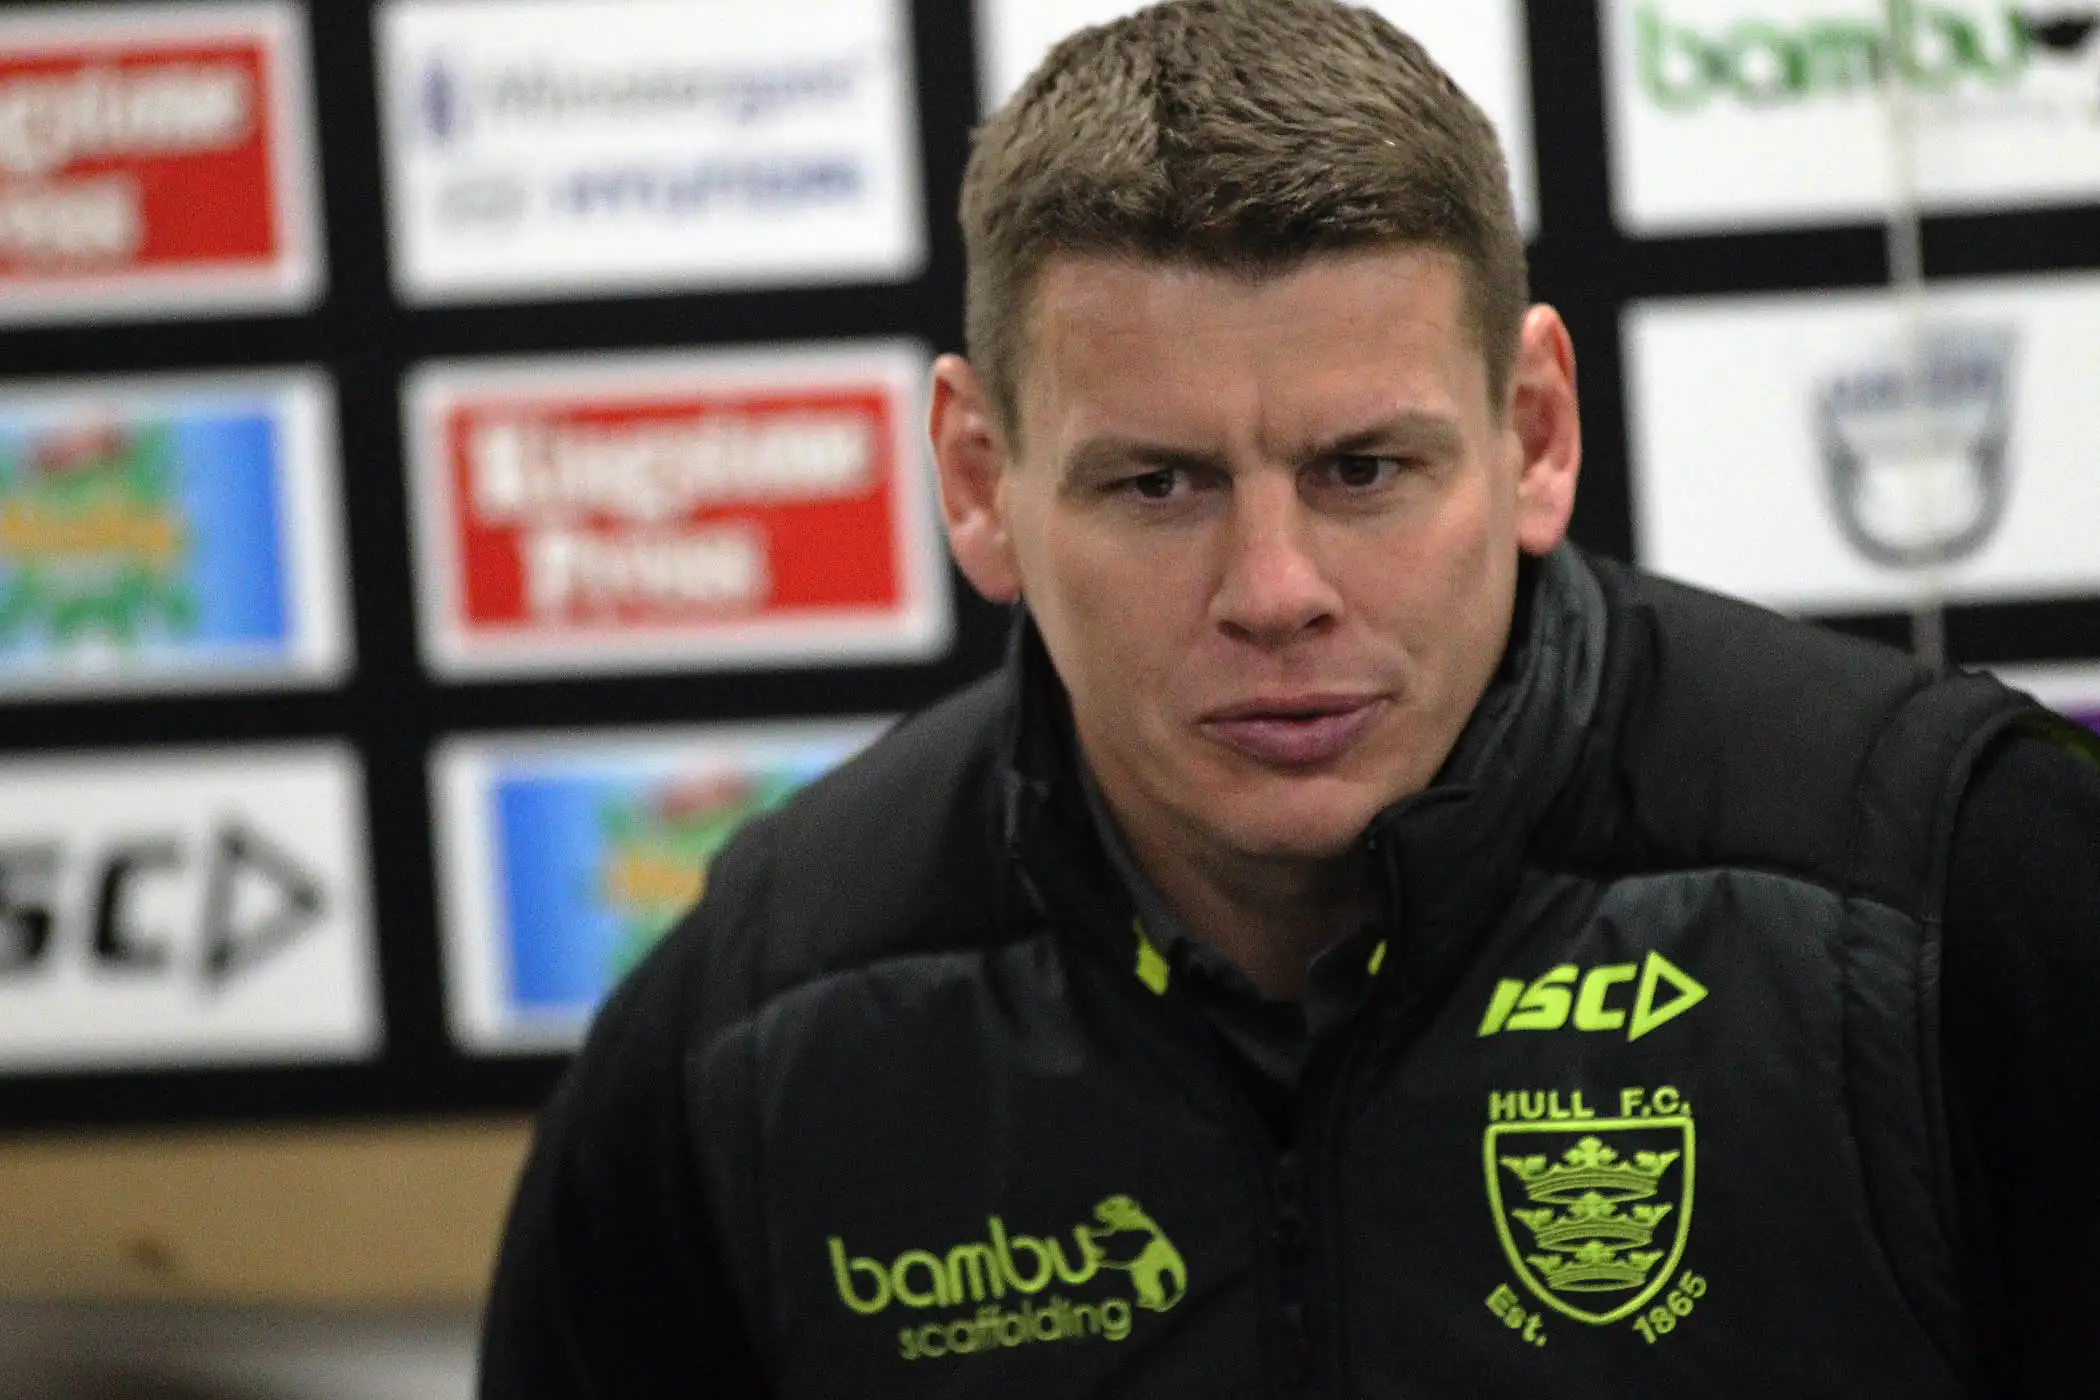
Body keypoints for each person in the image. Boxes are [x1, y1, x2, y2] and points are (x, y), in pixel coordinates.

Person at [477, 2, 2100, 1395]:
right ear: (979, 482)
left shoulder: (1957, 896)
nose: (1274, 590)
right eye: (1159, 484)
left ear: (1535, 432)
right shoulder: (757, 1028)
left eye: (1364, 470)